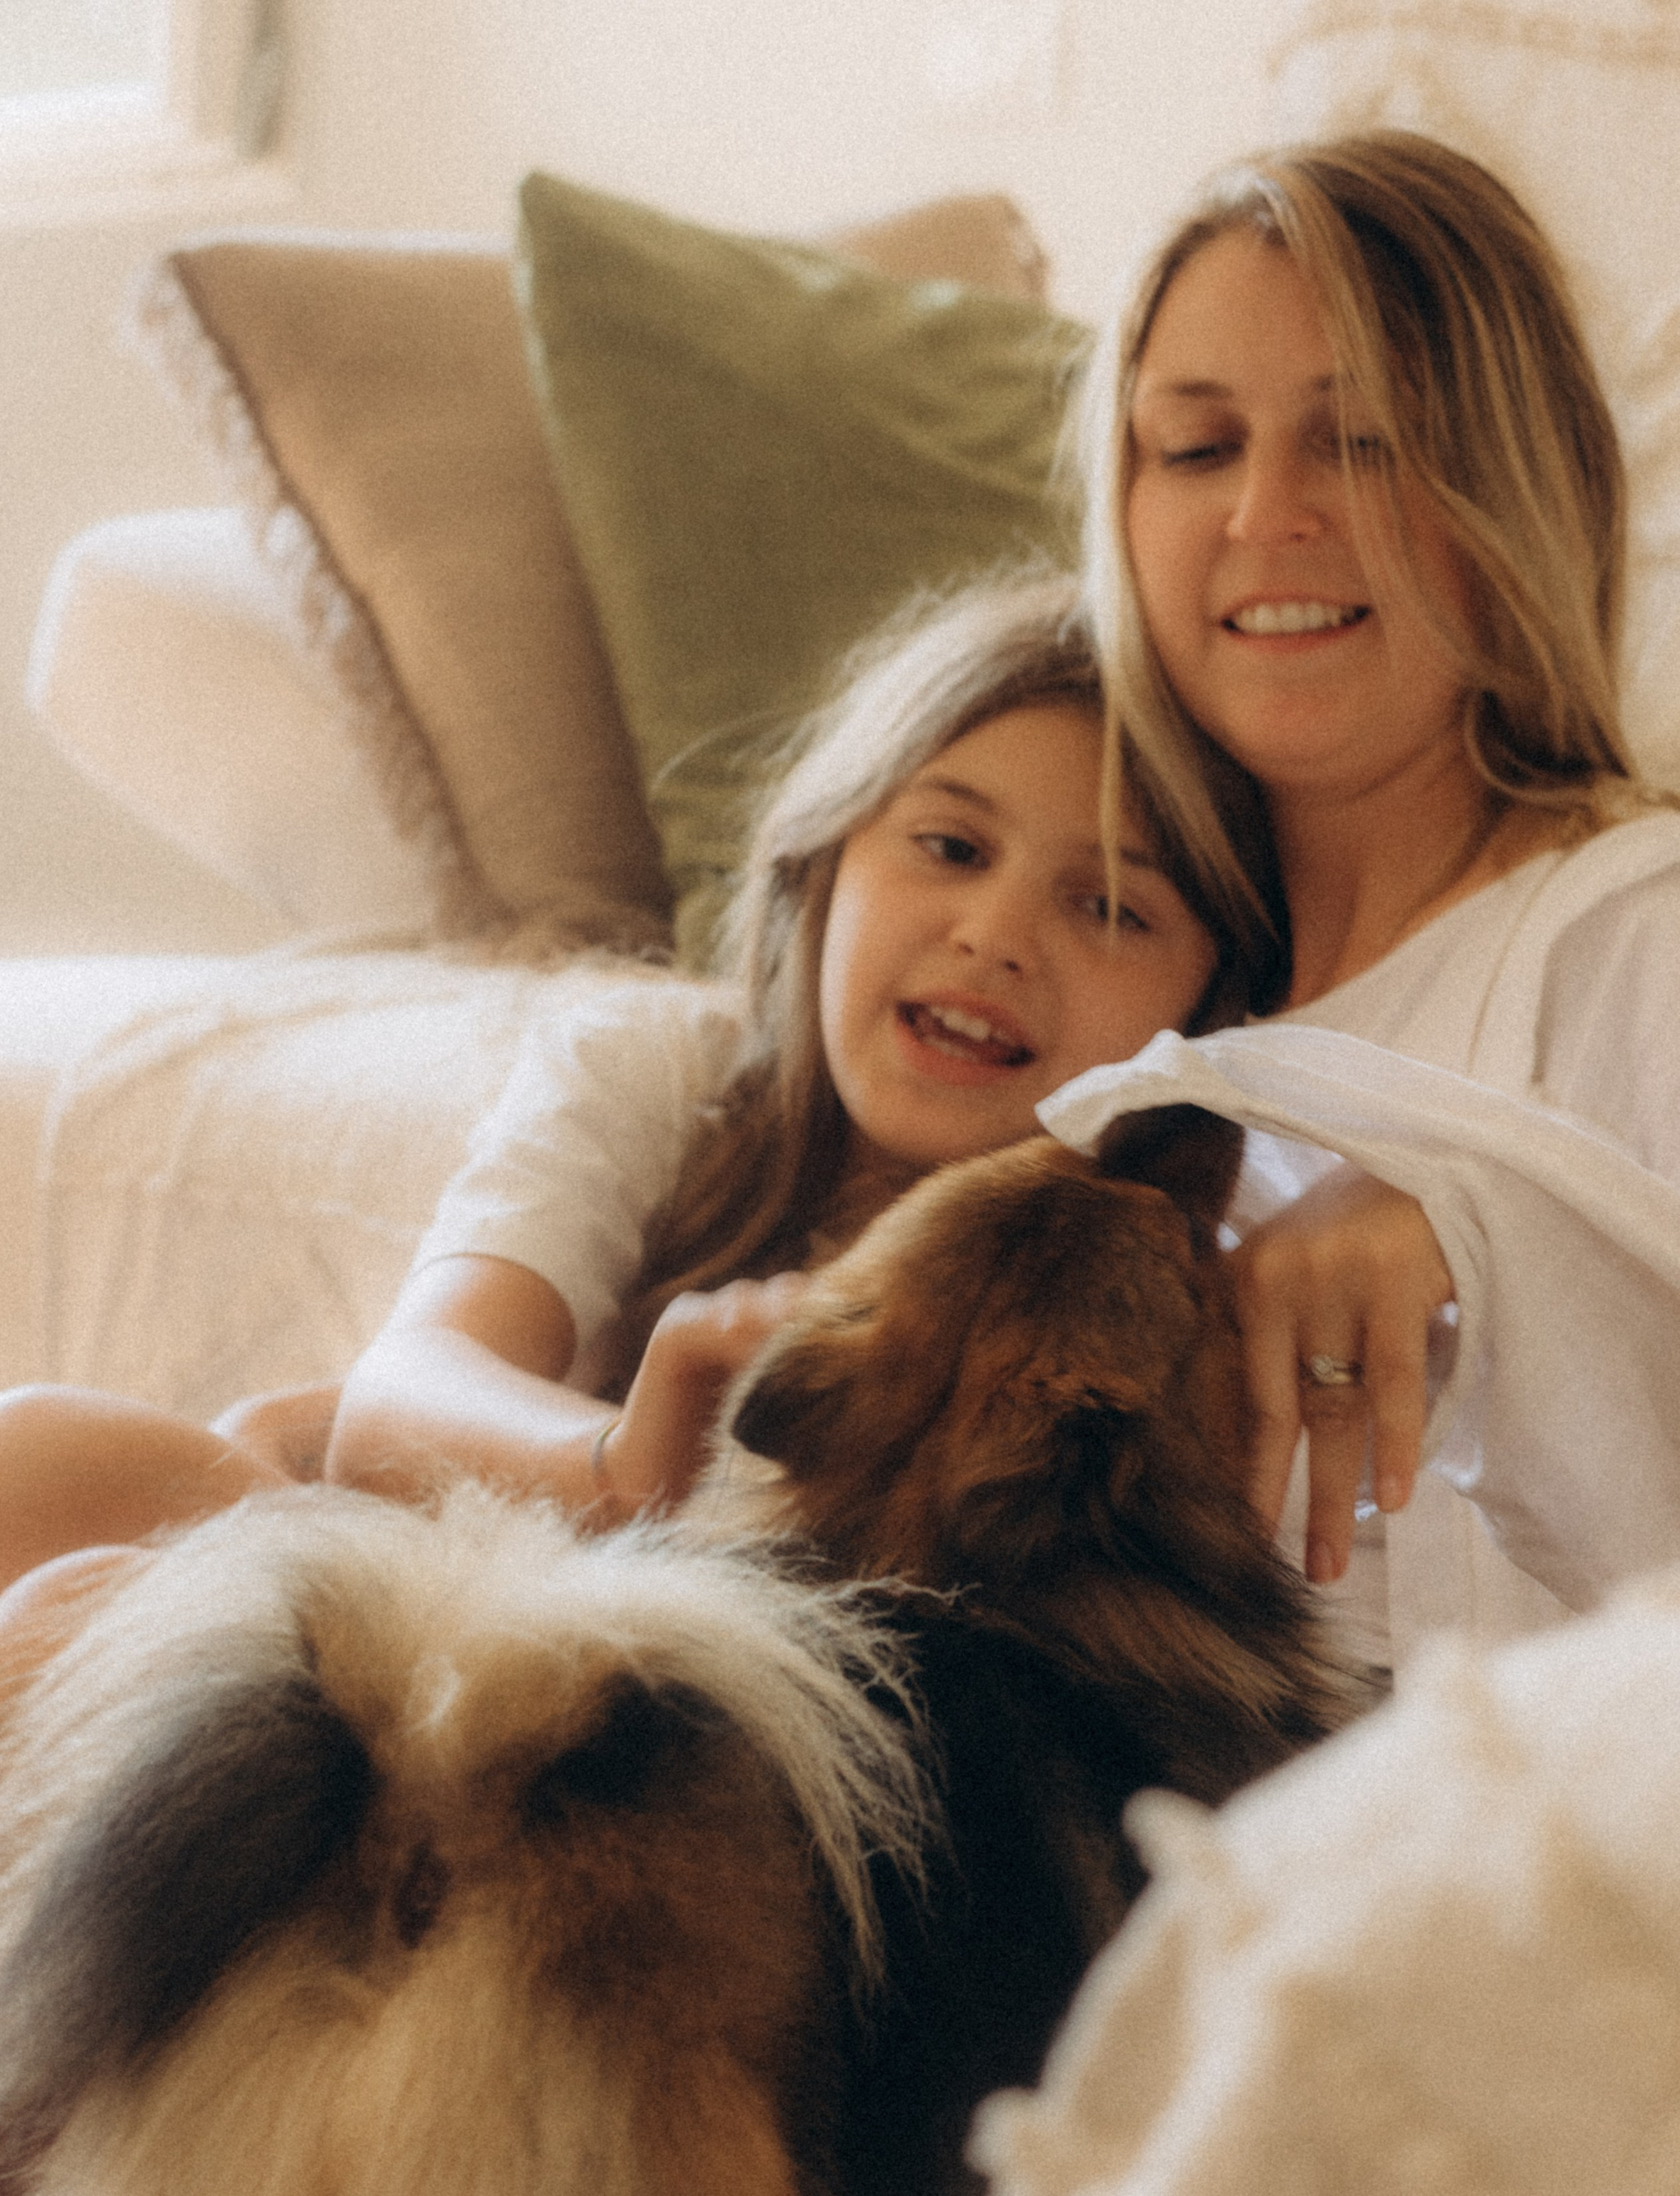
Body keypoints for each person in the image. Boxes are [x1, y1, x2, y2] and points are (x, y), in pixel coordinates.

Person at [0, 577, 1235, 1659]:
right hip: (450, 1591)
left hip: (633, 1736)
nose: (995, 935)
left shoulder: (1151, 1300)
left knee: (76, 1608)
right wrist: (629, 1458)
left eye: (1114, 909)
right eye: (951, 845)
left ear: (1211, 1011)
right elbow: (406, 1393)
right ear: (825, 860)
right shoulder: (670, 1065)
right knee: (45, 1458)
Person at [1040, 128, 1680, 1673]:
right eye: (1195, 448)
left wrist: (1491, 1230)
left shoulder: (1666, 932)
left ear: (1515, 488)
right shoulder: (1135, 1000)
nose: (1267, 514)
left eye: (1365, 439)